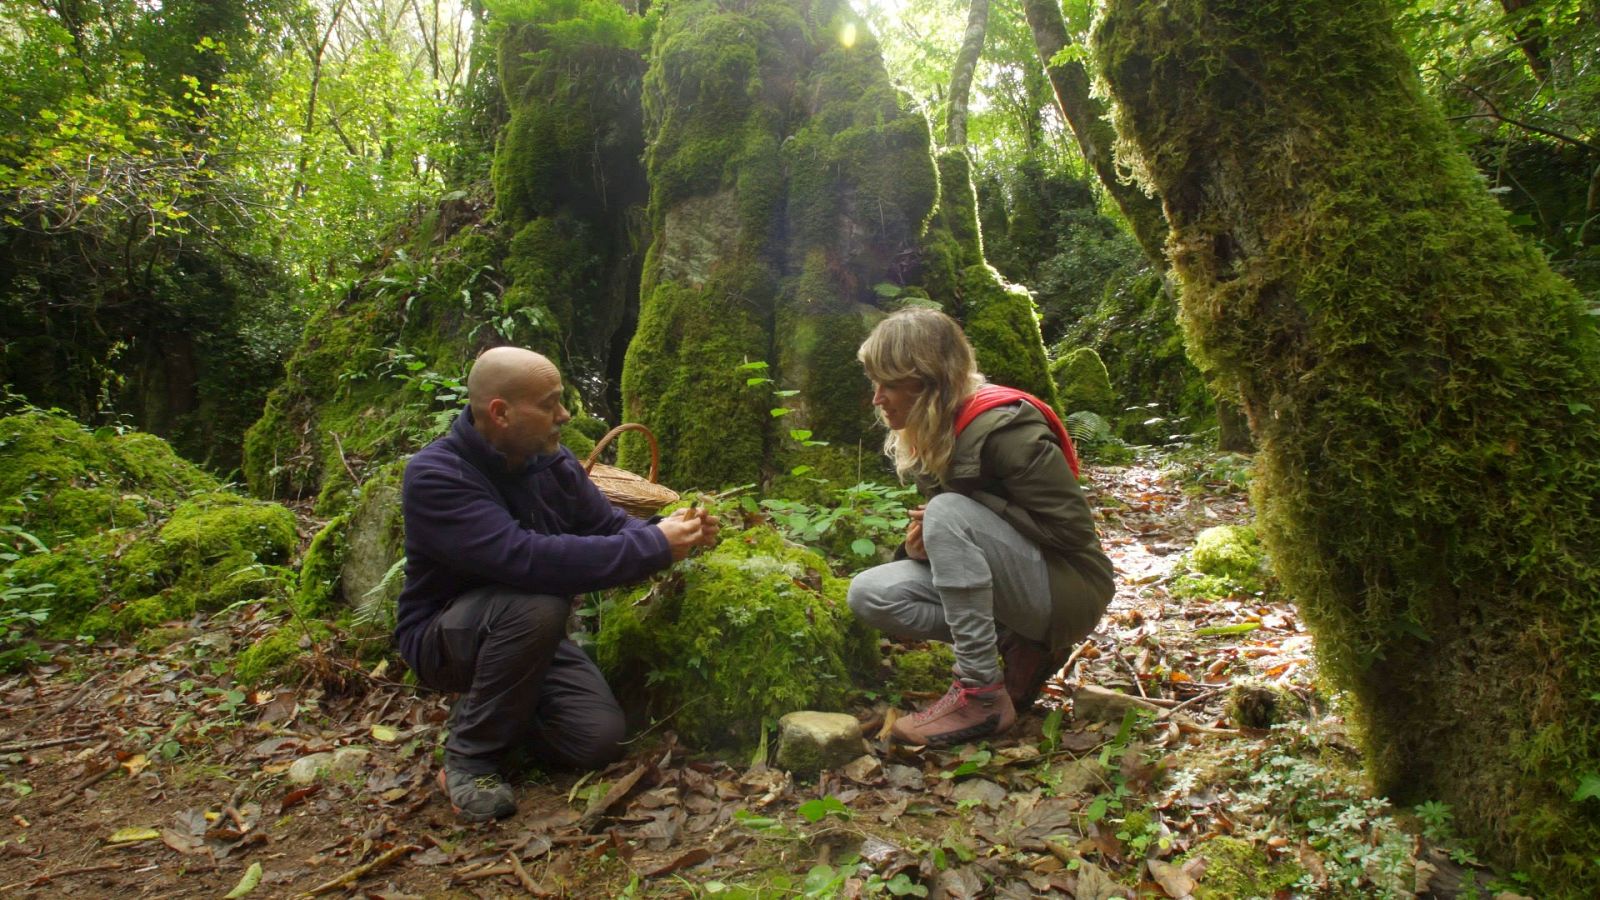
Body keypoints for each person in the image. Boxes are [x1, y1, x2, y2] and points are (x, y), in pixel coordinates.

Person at [393, 346, 718, 823]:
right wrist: (654, 548)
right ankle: (471, 756)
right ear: (500, 413)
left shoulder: (549, 460)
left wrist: (669, 531)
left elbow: (607, 525)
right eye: (549, 404)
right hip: (447, 637)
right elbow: (525, 560)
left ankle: (497, 710)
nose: (563, 415)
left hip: (527, 636)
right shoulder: (436, 476)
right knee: (538, 603)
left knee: (599, 740)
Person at [847, 308, 1115, 746]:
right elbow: (970, 532)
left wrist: (960, 514)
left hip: (1070, 589)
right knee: (869, 594)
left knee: (948, 512)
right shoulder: (934, 427)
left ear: (928, 380)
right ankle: (1017, 642)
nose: (877, 398)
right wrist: (925, 544)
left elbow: (1073, 534)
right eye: (874, 383)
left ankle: (980, 693)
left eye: (890, 384)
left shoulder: (1007, 429)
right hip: (1018, 588)